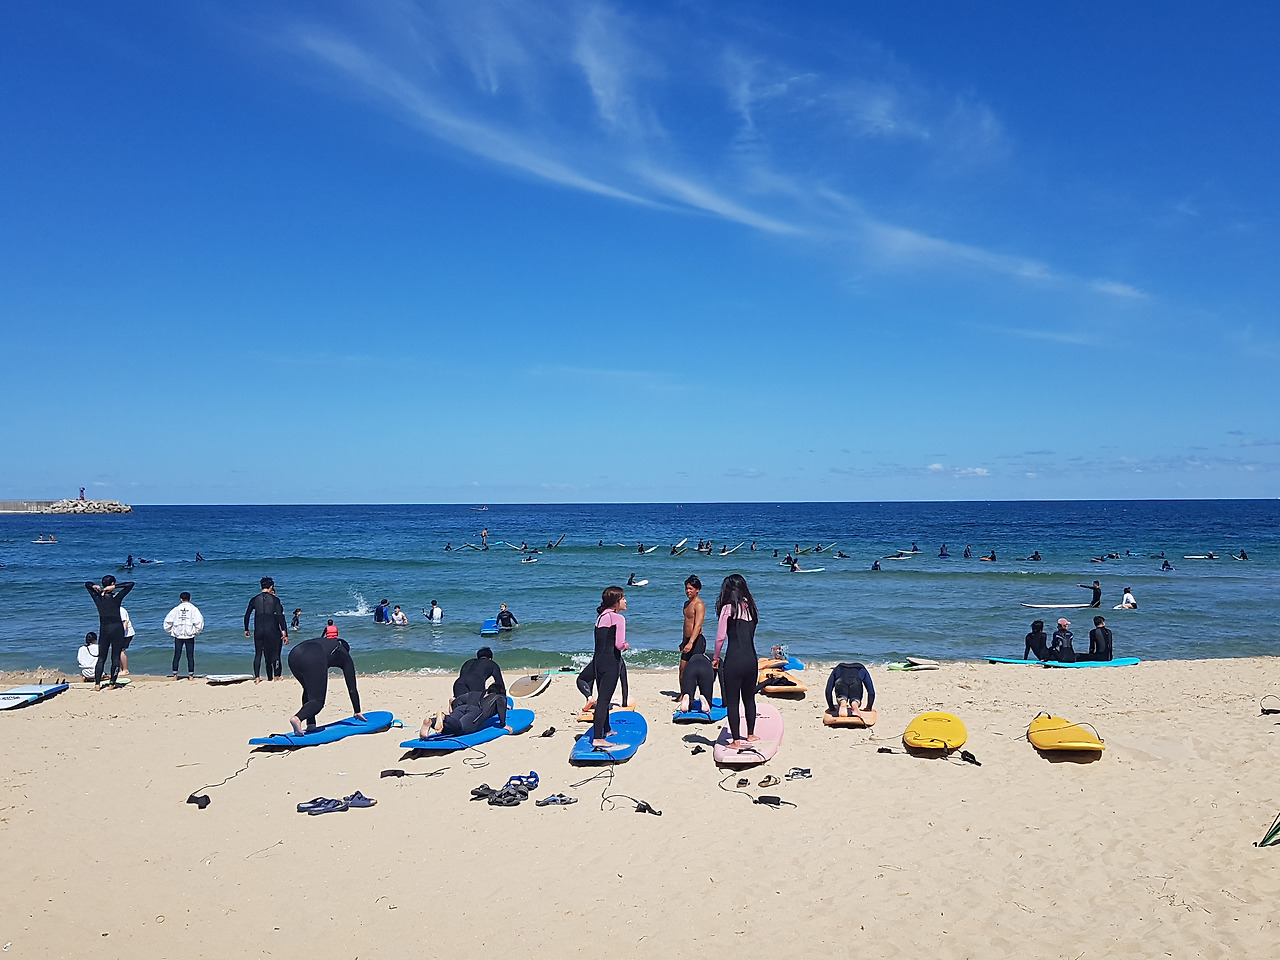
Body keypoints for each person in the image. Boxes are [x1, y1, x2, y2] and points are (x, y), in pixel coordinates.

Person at [712, 574, 760, 749]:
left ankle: (736, 741)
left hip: (734, 659)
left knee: (733, 701)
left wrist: (716, 658)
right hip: (751, 659)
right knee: (749, 698)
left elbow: (720, 638)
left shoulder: (727, 609)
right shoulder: (752, 609)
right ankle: (751, 734)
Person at [286, 636, 363, 735]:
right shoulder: (344, 655)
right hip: (314, 655)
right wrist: (357, 711)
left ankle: (311, 724)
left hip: (294, 654)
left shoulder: (327, 643)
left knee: (308, 689)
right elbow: (352, 688)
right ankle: (297, 718)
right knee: (318, 701)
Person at [589, 586, 630, 749]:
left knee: (603, 698)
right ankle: (598, 737)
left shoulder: (600, 617)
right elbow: (619, 644)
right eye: (623, 598)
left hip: (598, 661)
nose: (625, 601)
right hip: (611, 662)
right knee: (604, 700)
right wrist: (626, 645)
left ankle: (606, 729)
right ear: (615, 602)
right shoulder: (618, 618)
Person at [85, 576, 135, 689]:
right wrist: (115, 587)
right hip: (117, 629)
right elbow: (130, 584)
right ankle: (112, 683)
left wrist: (93, 586)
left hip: (104, 629)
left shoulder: (97, 597)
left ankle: (97, 684)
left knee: (101, 658)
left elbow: (86, 584)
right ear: (112, 584)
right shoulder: (116, 597)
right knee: (115, 657)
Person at [244, 577, 289, 683]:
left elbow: (247, 615)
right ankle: (276, 676)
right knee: (275, 654)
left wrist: (246, 628)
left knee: (258, 654)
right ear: (271, 587)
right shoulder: (275, 600)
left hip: (259, 630)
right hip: (272, 630)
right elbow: (280, 616)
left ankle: (257, 677)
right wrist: (284, 631)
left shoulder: (254, 599)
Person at [420, 689, 509, 739]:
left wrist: (454, 710)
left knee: (452, 727)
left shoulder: (475, 693)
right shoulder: (500, 697)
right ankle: (443, 717)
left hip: (461, 708)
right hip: (476, 712)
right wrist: (503, 725)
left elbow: (457, 701)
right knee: (460, 728)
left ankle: (431, 722)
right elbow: (501, 707)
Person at [164, 591, 205, 680]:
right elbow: (199, 622)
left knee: (177, 655)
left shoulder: (175, 609)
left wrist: (171, 631)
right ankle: (191, 676)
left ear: (180, 599)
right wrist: (196, 631)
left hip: (178, 635)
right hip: (189, 635)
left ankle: (175, 675)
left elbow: (167, 622)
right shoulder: (194, 609)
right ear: (190, 599)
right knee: (190, 655)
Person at [678, 575, 706, 692]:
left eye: (691, 589)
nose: (688, 591)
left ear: (697, 590)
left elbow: (697, 625)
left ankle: (697, 693)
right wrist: (684, 641)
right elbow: (686, 625)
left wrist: (690, 643)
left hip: (697, 641)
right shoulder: (686, 604)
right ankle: (683, 693)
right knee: (682, 669)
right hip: (688, 640)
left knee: (694, 670)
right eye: (687, 588)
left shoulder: (699, 605)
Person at [118, 604, 135, 676]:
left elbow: (125, 622)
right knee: (118, 651)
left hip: (126, 634)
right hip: (123, 634)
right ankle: (121, 669)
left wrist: (122, 633)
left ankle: (125, 669)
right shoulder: (115, 610)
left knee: (121, 651)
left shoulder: (121, 610)